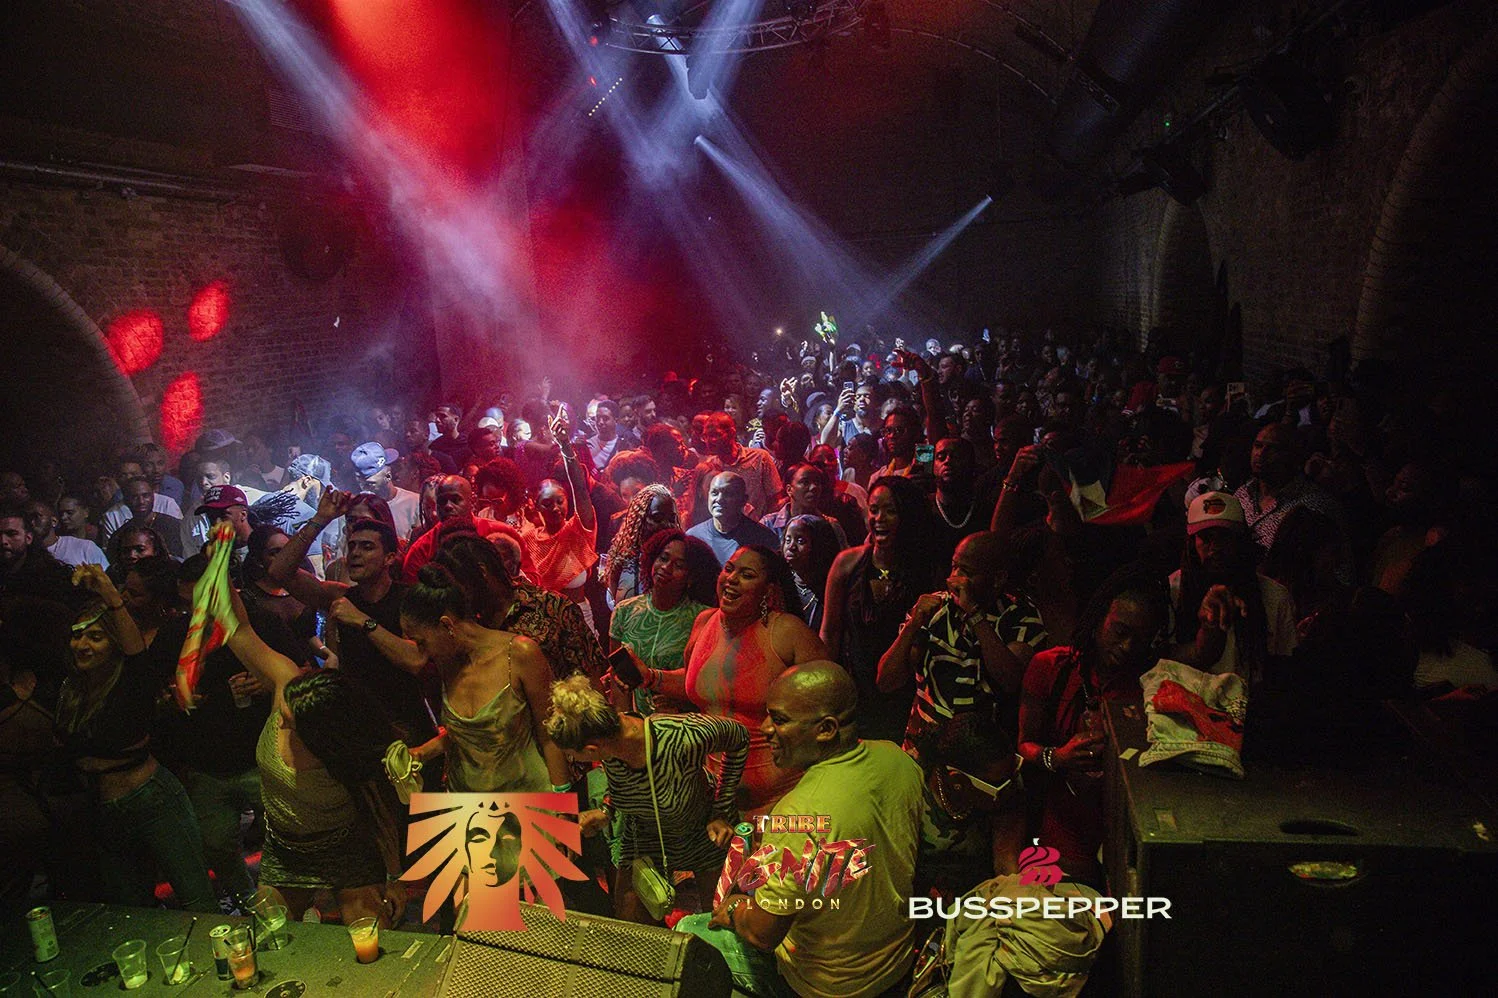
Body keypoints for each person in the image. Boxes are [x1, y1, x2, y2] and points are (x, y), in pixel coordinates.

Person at [679, 662, 923, 998]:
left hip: (827, 986)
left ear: (826, 729)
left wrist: (734, 909)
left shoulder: (798, 815)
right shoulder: (896, 758)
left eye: (780, 720)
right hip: (896, 964)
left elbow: (764, 934)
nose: (765, 728)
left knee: (690, 930)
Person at [222, 586, 416, 926]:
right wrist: (218, 580)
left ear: (323, 737)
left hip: (346, 846)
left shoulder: (349, 756)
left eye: (290, 723)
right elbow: (240, 631)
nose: (281, 722)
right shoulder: (288, 687)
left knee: (372, 938)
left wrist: (394, 877)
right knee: (271, 935)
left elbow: (380, 811)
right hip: (285, 849)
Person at [56, 565, 217, 911]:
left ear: (114, 643)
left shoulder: (131, 681)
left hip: (152, 801)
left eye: (95, 637)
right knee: (132, 909)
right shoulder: (71, 689)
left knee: (197, 899)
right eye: (77, 636)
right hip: (104, 811)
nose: (82, 645)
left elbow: (136, 653)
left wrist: (111, 595)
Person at [637, 546, 829, 817]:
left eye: (747, 575)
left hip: (782, 801)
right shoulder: (704, 622)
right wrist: (650, 676)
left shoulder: (787, 632)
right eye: (729, 569)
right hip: (713, 800)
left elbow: (832, 703)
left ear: (768, 591)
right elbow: (700, 685)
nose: (731, 579)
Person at [545, 674, 749, 922]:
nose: (572, 760)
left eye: (571, 755)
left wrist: (721, 809)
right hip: (646, 834)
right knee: (629, 920)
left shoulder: (683, 735)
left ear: (591, 749)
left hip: (700, 829)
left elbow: (739, 737)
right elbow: (621, 783)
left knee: (718, 919)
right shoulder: (611, 745)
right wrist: (607, 811)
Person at [1018, 570, 1169, 884]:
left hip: (1121, 828)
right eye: (1120, 631)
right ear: (1100, 617)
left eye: (1140, 639)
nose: (1127, 646)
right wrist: (1056, 757)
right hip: (1060, 824)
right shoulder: (1052, 666)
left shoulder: (1149, 684)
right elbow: (1023, 745)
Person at [269, 489, 436, 745]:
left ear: (390, 558)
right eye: (353, 546)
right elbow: (279, 572)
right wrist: (320, 519)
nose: (355, 553)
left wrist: (362, 621)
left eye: (367, 547)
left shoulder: (408, 599)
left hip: (407, 727)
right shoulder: (341, 596)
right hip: (359, 724)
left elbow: (415, 660)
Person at [400, 561, 573, 795]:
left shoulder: (521, 654)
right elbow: (469, 735)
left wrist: (562, 798)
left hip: (526, 799)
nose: (421, 653)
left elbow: (550, 736)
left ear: (446, 625)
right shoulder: (446, 662)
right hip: (466, 804)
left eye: (421, 642)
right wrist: (422, 752)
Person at [878, 531, 1047, 755]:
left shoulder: (1020, 616)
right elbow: (886, 681)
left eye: (966, 572)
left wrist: (974, 615)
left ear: (998, 579)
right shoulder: (935, 609)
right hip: (923, 750)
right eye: (954, 567)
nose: (955, 579)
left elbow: (1010, 680)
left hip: (982, 757)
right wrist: (913, 625)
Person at [823, 477, 942, 742]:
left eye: (890, 511)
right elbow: (830, 633)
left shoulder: (926, 570)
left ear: (908, 517)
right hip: (855, 689)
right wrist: (829, 687)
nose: (879, 519)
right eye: (874, 510)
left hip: (906, 693)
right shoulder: (847, 563)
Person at [1168, 492, 1297, 686]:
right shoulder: (1171, 592)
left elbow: (1286, 668)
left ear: (1241, 542)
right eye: (1206, 538)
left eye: (1224, 537)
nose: (1216, 547)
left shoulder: (1275, 597)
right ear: (1191, 543)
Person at [609, 529, 718, 714]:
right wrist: (624, 721)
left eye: (679, 565)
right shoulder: (624, 611)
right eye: (663, 558)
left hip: (683, 721)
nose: (666, 567)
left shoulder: (703, 618)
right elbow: (617, 676)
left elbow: (707, 683)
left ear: (691, 577)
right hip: (636, 721)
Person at [518, 410, 598, 606]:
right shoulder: (528, 539)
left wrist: (565, 446)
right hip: (543, 617)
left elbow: (580, 488)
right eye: (547, 503)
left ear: (567, 500)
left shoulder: (577, 531)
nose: (555, 508)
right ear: (536, 506)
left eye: (559, 501)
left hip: (578, 614)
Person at [401, 475, 526, 582]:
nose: (448, 506)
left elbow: (531, 581)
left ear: (472, 501)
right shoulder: (421, 549)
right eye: (442, 501)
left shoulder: (503, 533)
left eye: (455, 500)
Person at [689, 412, 782, 525]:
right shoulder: (709, 467)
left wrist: (763, 526)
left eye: (715, 435)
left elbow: (775, 500)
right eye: (705, 436)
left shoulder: (760, 458)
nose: (709, 441)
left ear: (732, 433)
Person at [603, 484, 679, 607]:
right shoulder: (625, 559)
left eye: (671, 519)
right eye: (657, 518)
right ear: (640, 520)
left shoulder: (680, 560)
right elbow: (615, 605)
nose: (667, 525)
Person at [687, 472, 780, 567]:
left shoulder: (763, 539)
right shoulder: (694, 537)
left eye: (728, 494)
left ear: (743, 500)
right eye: (714, 493)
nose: (719, 499)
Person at [780, 514, 841, 633]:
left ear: (819, 546)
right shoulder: (780, 582)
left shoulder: (832, 587)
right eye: (788, 540)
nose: (791, 547)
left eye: (800, 541)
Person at [350, 441, 421, 541]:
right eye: (359, 479)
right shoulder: (355, 509)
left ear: (388, 475)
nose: (364, 487)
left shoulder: (414, 503)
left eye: (369, 483)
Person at [28, 498, 108, 569]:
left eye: (37, 517)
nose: (31, 522)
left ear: (53, 521)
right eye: (28, 518)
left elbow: (106, 579)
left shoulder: (85, 548)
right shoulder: (26, 555)